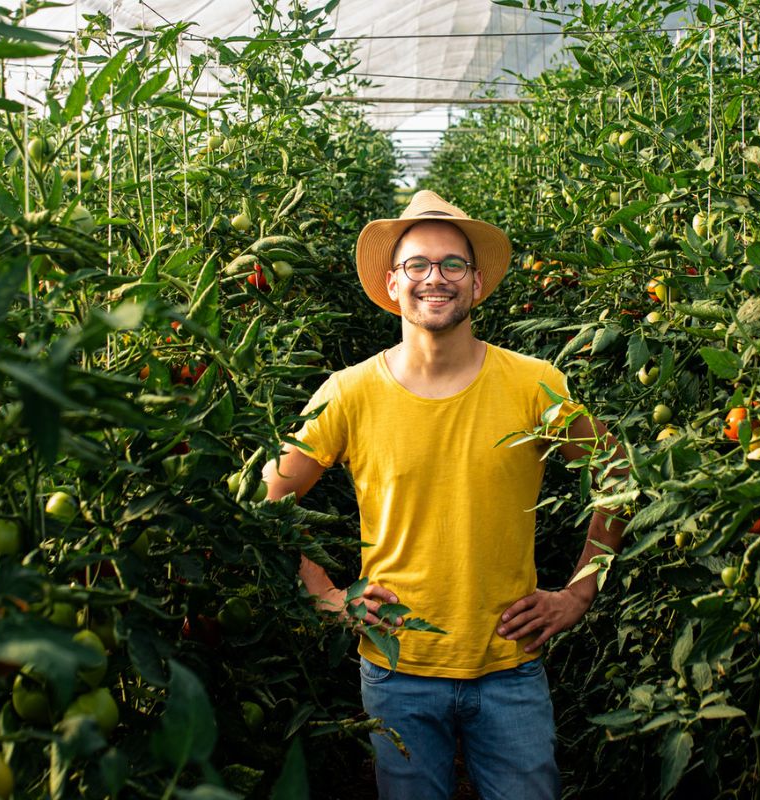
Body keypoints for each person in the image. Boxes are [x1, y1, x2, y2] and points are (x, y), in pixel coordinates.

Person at [262, 190, 625, 800]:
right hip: (397, 669)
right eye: (418, 264)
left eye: (453, 264)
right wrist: (326, 596)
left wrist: (580, 592)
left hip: (509, 664)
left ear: (476, 283)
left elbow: (618, 475)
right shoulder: (349, 393)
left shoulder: (534, 384)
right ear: (393, 283)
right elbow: (268, 499)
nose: (436, 278)